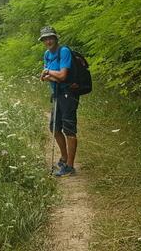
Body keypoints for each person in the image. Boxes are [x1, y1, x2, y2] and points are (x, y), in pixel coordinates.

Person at [39, 26, 79, 177]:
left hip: (68, 93)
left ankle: (70, 166)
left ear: (56, 38)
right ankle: (64, 157)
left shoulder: (64, 51)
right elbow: (42, 78)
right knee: (54, 128)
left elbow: (62, 76)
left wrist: (49, 73)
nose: (48, 41)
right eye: (45, 39)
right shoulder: (47, 54)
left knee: (69, 129)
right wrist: (49, 75)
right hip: (56, 94)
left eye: (50, 38)